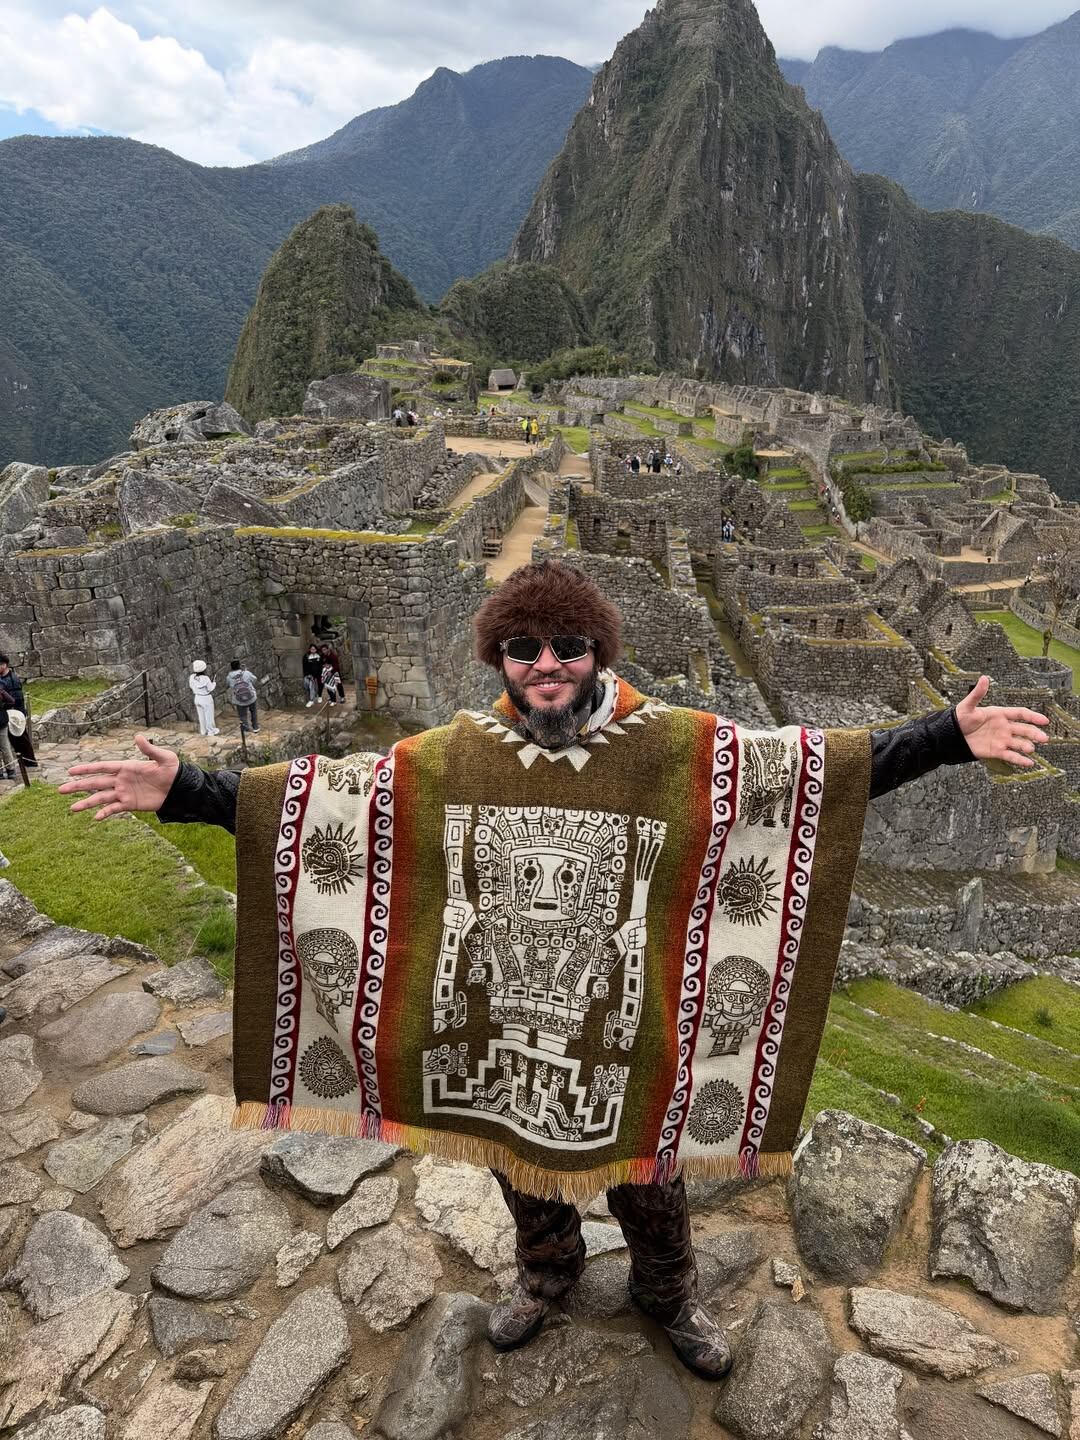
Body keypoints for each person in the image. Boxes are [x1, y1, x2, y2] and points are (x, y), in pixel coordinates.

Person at [60, 561, 1048, 1382]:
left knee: (648, 1181)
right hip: (499, 1026)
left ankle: (667, 1295)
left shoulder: (670, 745)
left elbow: (817, 770)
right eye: (524, 648)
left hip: (621, 1020)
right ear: (499, 655)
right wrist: (185, 789)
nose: (546, 665)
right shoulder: (456, 756)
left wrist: (947, 738)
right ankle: (548, 1275)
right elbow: (329, 808)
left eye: (567, 647)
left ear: (596, 654)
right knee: (520, 1168)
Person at [0, 656, 36, 769]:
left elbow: (16, 699)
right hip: (7, 713)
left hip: (15, 713)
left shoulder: (12, 679)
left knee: (21, 739)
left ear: (4, 665)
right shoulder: (3, 678)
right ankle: (23, 761)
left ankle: (30, 762)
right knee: (14, 740)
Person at [226, 660, 261, 734]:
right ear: (239, 666)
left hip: (239, 700)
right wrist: (246, 671)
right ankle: (255, 728)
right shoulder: (246, 673)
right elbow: (255, 679)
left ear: (231, 668)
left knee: (242, 715)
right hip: (251, 697)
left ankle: (246, 729)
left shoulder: (229, 677)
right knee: (253, 712)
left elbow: (229, 685)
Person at [188, 660, 219, 737]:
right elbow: (210, 688)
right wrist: (214, 683)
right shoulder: (206, 678)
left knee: (201, 716)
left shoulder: (192, 677)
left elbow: (191, 686)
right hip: (206, 698)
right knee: (209, 716)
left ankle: (203, 731)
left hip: (197, 697)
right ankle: (211, 731)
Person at [0, 699, 16, 781]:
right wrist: (3, 707)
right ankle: (10, 770)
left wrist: (3, 706)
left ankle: (9, 769)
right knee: (5, 747)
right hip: (2, 720)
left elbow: (11, 701)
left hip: (1, 723)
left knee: (5, 747)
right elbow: (11, 701)